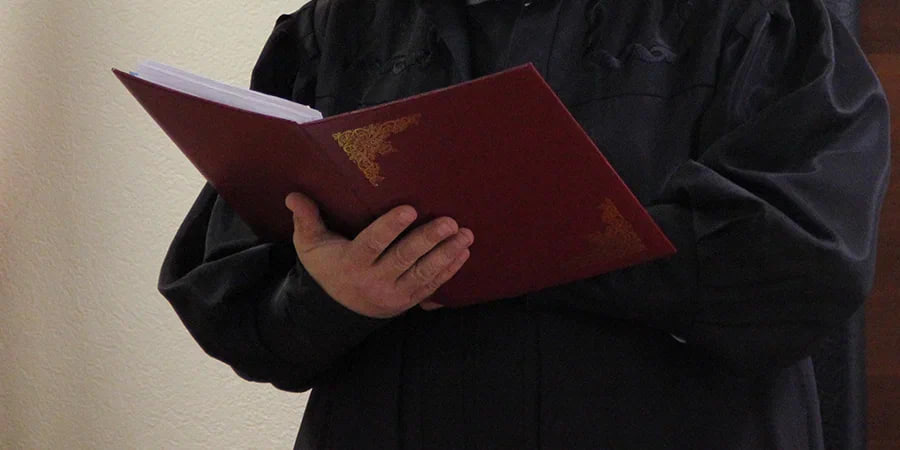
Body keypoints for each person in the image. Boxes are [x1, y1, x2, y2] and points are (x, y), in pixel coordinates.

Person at [158, 0, 891, 448]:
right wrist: (330, 296)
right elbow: (232, 299)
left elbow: (806, 257)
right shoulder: (339, 26)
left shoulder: (750, 17)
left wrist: (532, 248)